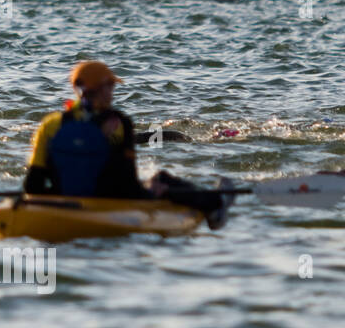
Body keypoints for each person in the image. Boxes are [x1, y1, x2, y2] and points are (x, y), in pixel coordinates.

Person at [23, 61, 230, 227]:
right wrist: (153, 191)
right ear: (102, 88)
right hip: (109, 200)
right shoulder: (118, 123)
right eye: (111, 86)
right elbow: (127, 183)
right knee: (162, 179)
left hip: (61, 198)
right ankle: (216, 204)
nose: (112, 91)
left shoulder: (49, 124)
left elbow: (32, 184)